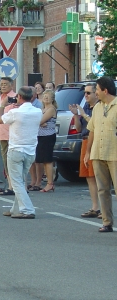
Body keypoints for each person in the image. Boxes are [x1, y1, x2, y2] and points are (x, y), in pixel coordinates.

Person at [0, 86, 42, 219]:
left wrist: (2, 106)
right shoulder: (38, 111)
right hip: (30, 150)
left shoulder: (15, 112)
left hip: (16, 149)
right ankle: (16, 208)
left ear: (20, 97)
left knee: (16, 182)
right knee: (21, 180)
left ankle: (27, 209)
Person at [84, 76, 117, 233]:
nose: (95, 93)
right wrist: (88, 152)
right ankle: (107, 222)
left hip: (114, 153)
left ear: (105, 90)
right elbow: (92, 130)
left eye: (97, 89)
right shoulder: (97, 107)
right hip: (98, 152)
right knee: (103, 189)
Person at [68, 83, 100, 218]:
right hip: (85, 140)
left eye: (88, 93)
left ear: (96, 94)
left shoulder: (99, 107)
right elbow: (79, 128)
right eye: (84, 93)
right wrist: (76, 115)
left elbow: (96, 125)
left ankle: (104, 208)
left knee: (99, 176)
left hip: (96, 142)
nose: (85, 95)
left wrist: (84, 114)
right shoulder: (86, 107)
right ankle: (95, 207)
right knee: (89, 176)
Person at [34, 90, 57, 192]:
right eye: (45, 96)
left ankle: (50, 183)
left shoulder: (51, 109)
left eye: (48, 96)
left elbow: (39, 121)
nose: (46, 97)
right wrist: (39, 122)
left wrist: (40, 122)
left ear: (52, 99)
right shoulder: (42, 109)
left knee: (47, 160)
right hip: (40, 136)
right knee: (41, 160)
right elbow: (37, 121)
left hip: (48, 136)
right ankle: (41, 182)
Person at [0, 77, 17, 193]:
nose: (3, 86)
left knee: (13, 160)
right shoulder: (1, 98)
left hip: (12, 134)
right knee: (5, 160)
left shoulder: (14, 97)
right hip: (2, 133)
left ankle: (14, 186)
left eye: (5, 84)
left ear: (11, 85)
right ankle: (10, 185)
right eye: (1, 84)